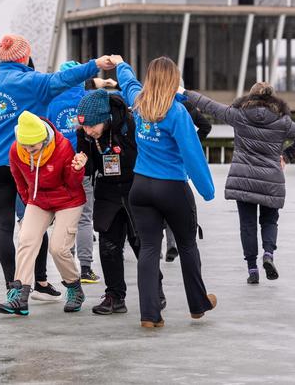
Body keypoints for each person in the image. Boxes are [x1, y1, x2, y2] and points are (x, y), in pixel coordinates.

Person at [0, 33, 114, 295]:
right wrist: (95, 64)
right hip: (29, 162)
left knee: (5, 226)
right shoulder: (33, 82)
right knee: (33, 223)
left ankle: (13, 286)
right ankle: (39, 281)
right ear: (25, 57)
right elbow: (64, 78)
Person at [113, 55, 217, 328]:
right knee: (187, 245)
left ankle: (149, 315)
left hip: (141, 187)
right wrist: (207, 190)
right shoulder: (176, 112)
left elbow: (127, 84)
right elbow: (192, 155)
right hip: (171, 188)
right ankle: (198, 305)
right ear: (173, 80)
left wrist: (121, 64)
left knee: (149, 248)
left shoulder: (138, 103)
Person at [183, 82, 295, 284]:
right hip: (271, 180)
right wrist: (286, 156)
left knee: (248, 225)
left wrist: (183, 92)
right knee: (269, 221)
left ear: (249, 97)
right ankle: (268, 254)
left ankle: (252, 269)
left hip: (243, 179)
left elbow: (209, 105)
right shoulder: (282, 120)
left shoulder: (239, 115)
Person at [77, 89, 168, 315]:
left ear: (105, 119)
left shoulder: (131, 124)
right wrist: (81, 162)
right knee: (109, 246)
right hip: (107, 191)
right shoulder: (86, 134)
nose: (88, 131)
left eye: (92, 126)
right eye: (84, 127)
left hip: (136, 188)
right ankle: (115, 296)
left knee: (141, 244)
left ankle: (155, 289)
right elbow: (89, 169)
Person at [0, 111, 88, 316]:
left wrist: (78, 169)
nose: (29, 152)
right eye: (25, 146)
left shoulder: (62, 147)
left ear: (44, 140)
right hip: (38, 199)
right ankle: (20, 296)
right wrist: (29, 199)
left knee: (58, 248)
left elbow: (73, 183)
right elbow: (18, 178)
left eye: (34, 147)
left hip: (68, 200)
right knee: (26, 239)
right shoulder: (15, 150)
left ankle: (74, 288)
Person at [46, 60, 100, 284]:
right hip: (83, 164)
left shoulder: (51, 101)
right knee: (85, 218)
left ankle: (67, 263)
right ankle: (86, 269)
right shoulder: (87, 101)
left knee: (62, 218)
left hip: (57, 167)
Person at [164, 96, 212, 262]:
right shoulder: (188, 106)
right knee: (180, 197)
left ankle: (171, 242)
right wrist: (193, 141)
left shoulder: (163, 105)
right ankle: (185, 236)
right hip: (182, 159)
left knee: (165, 201)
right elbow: (207, 126)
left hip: (164, 157)